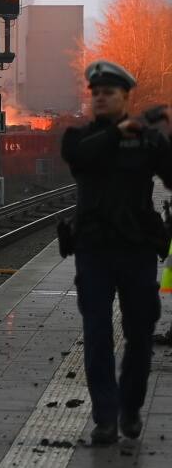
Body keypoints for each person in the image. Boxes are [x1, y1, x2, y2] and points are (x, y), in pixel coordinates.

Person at [62, 59, 172, 444]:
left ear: (126, 97)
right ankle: (105, 417)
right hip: (93, 252)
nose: (101, 99)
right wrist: (120, 131)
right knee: (96, 334)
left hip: (137, 252)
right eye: (97, 94)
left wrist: (167, 137)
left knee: (140, 334)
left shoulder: (146, 142)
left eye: (109, 93)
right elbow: (82, 158)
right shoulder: (79, 139)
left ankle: (130, 408)